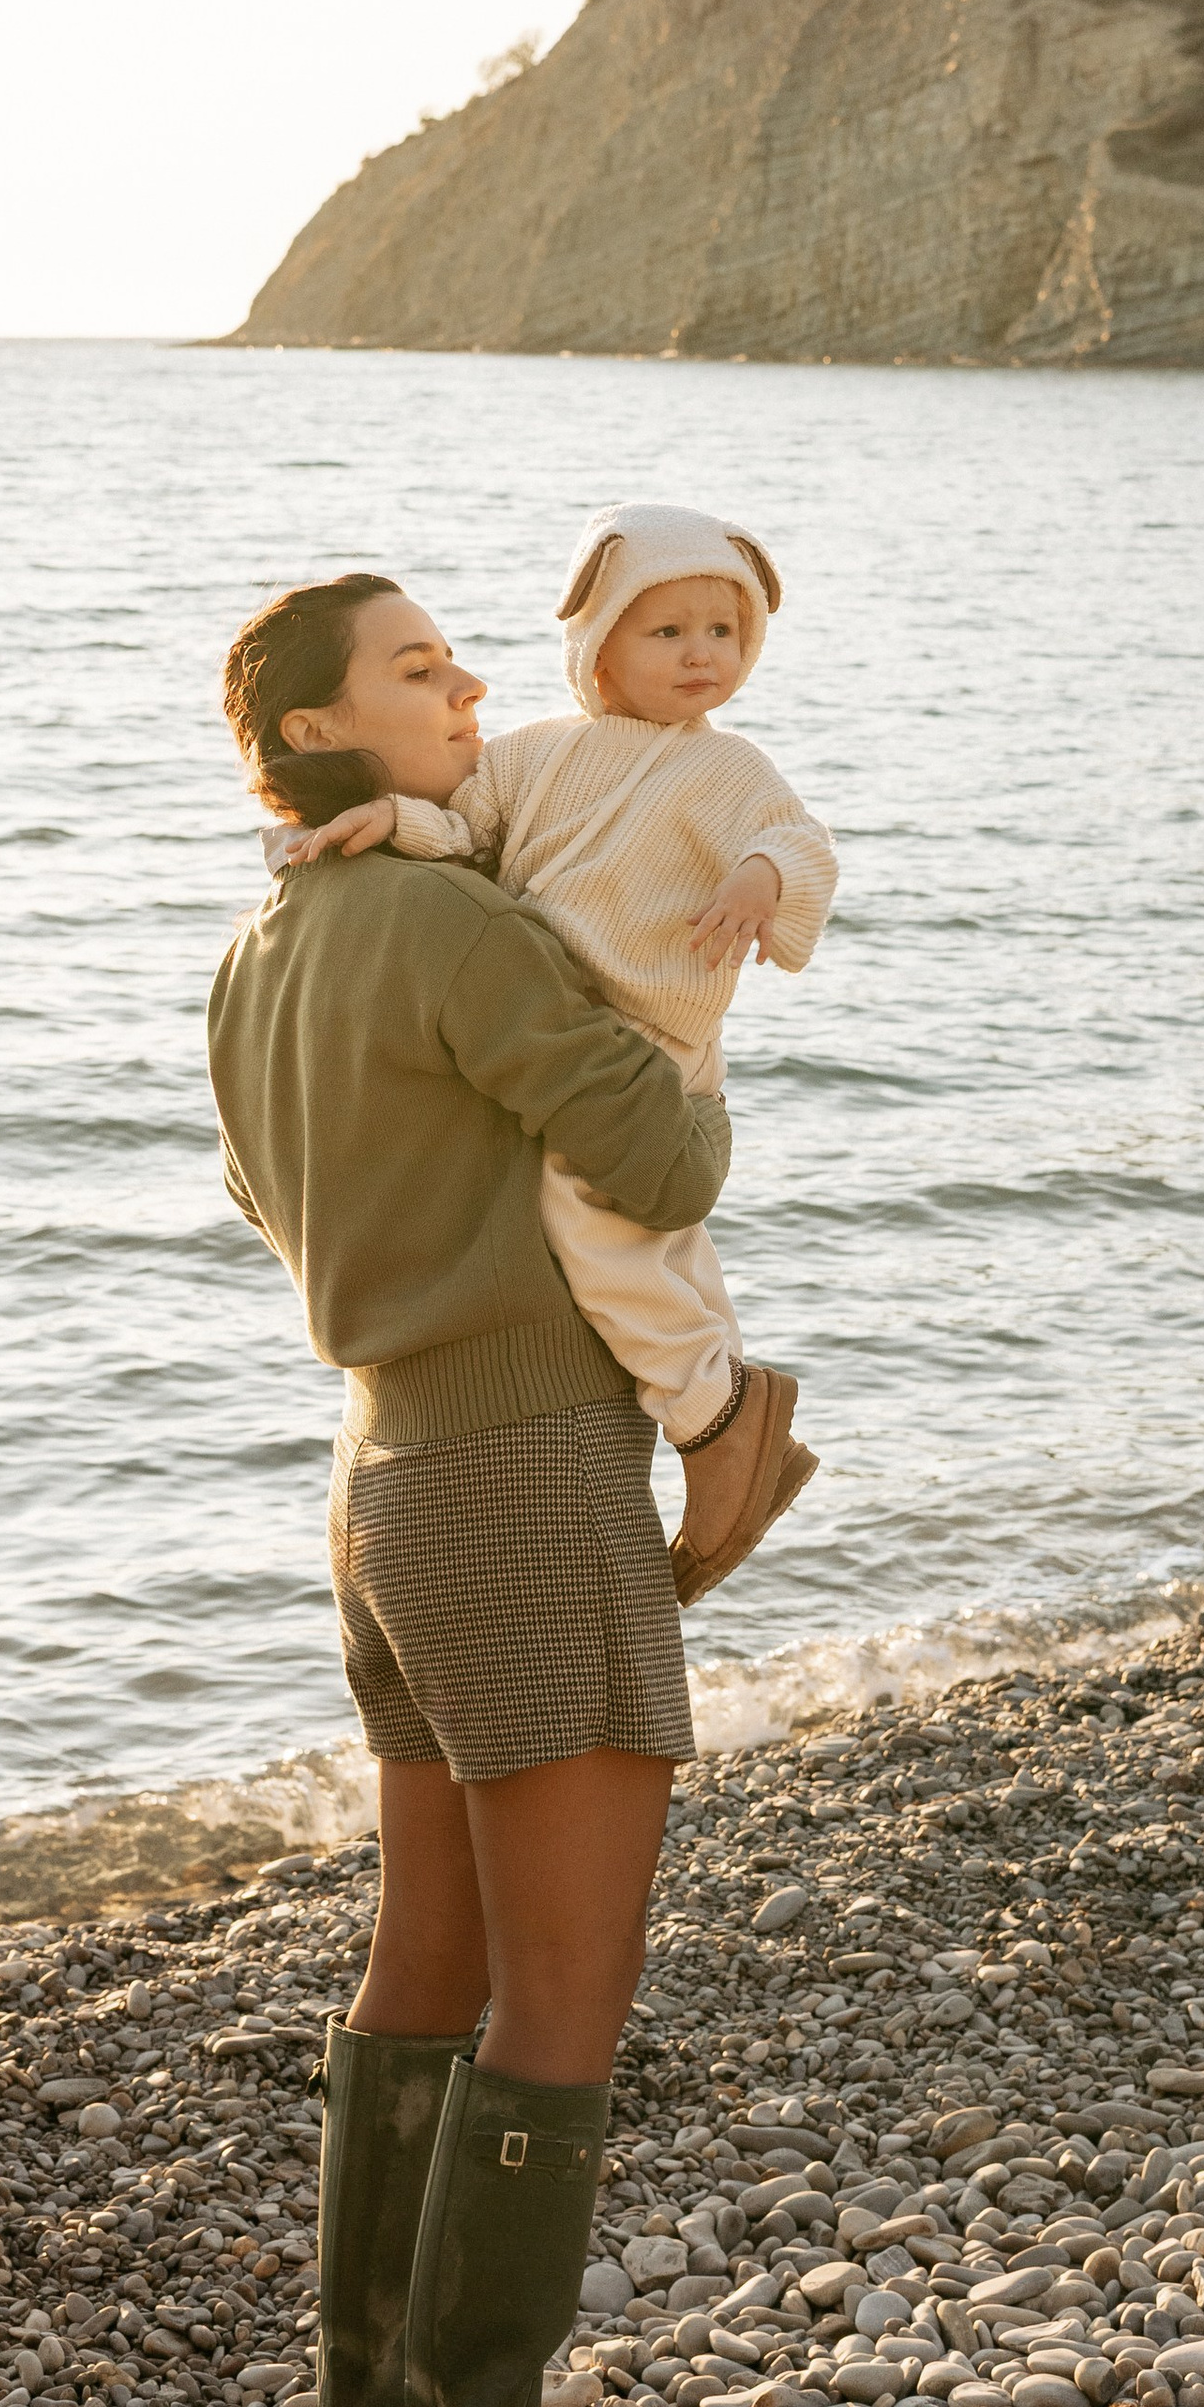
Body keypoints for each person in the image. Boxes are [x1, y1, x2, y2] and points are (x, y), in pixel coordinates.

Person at [207, 571, 774, 2407]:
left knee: (420, 1965)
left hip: (381, 1478)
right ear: (325, 729)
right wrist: (672, 1012)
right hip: (525, 1476)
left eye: (458, 660)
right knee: (560, 1995)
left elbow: (270, 1202)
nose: (462, 689)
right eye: (417, 670)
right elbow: (659, 1156)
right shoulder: (453, 920)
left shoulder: (263, 947)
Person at [282, 497, 834, 1602]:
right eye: (666, 631)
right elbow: (465, 827)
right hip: (565, 1016)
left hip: (655, 1032)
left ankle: (713, 1415)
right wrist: (382, 826)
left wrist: (757, 882)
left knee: (603, 1225)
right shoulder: (538, 753)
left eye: (722, 634)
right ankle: (724, 1395)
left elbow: (800, 845)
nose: (699, 656)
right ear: (597, 641)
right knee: (650, 1246)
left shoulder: (729, 771)